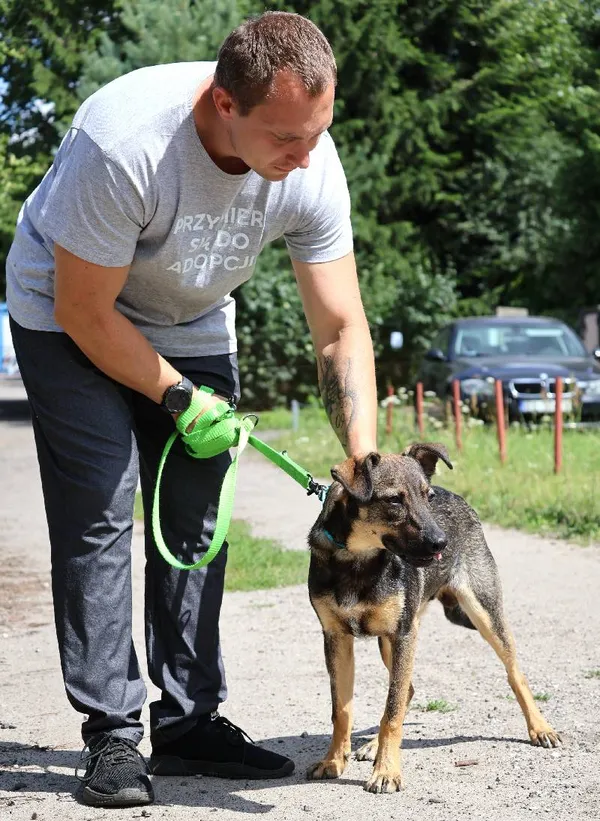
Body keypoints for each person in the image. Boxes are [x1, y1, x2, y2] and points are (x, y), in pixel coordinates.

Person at [5, 10, 378, 808]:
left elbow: (341, 325)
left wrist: (363, 460)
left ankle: (187, 721)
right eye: (287, 139)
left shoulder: (308, 156)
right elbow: (85, 310)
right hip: (66, 312)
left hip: (192, 318)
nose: (306, 158)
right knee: (101, 508)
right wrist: (176, 394)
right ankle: (113, 732)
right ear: (223, 104)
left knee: (194, 521)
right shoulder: (125, 142)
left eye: (317, 134)